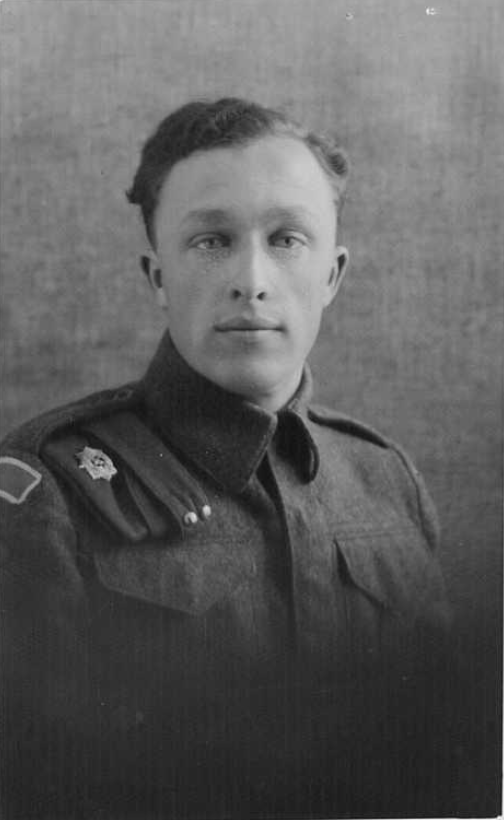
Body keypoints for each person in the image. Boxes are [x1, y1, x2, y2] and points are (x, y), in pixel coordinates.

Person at [1, 98, 455, 819]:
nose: (252, 279)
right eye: (211, 241)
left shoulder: (385, 479)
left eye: (287, 239)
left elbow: (442, 761)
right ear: (157, 277)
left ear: (333, 276)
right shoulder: (51, 487)